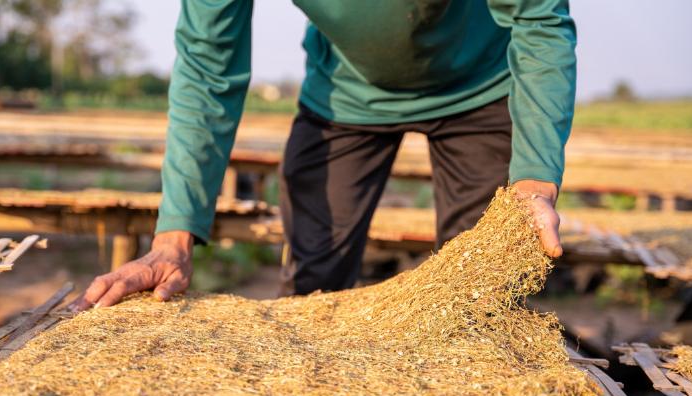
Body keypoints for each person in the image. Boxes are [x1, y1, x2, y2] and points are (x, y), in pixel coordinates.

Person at [71, 0, 576, 310]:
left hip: (481, 86)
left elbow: (538, 22)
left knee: (481, 297)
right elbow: (207, 70)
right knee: (315, 285)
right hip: (344, 94)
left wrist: (533, 182)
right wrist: (172, 240)